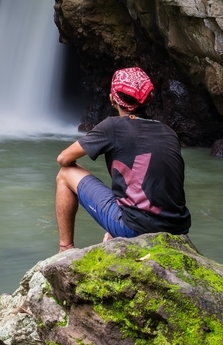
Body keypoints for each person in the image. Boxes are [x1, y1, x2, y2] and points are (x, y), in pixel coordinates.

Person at [54, 67, 191, 252]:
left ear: (112, 98)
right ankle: (116, 231)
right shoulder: (168, 132)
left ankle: (65, 249)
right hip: (177, 230)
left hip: (135, 229)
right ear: (149, 98)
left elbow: (63, 159)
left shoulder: (112, 126)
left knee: (65, 174)